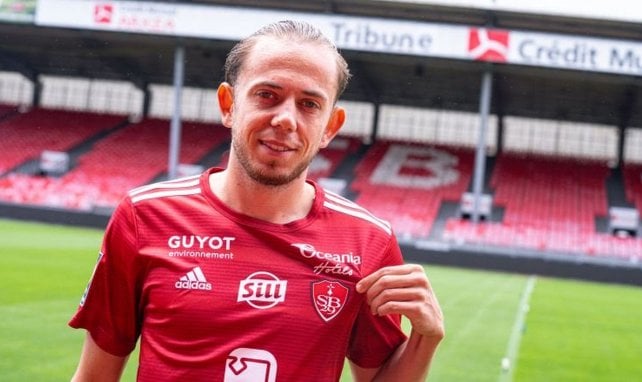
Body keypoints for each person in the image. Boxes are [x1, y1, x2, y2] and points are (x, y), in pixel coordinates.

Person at [69, 20, 444, 381]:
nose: (285, 119)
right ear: (228, 104)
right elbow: (93, 377)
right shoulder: (145, 217)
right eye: (267, 95)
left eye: (310, 104)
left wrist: (425, 340)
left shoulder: (368, 242)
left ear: (330, 126)